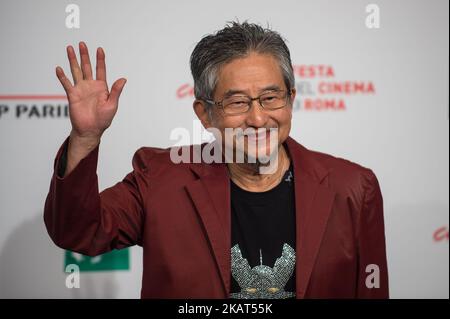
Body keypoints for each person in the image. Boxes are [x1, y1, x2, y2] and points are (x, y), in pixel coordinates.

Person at [44, 21, 389, 298]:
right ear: (205, 113)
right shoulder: (160, 179)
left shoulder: (353, 188)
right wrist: (85, 139)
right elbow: (79, 232)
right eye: (237, 102)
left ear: (291, 99)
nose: (257, 118)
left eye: (271, 97)